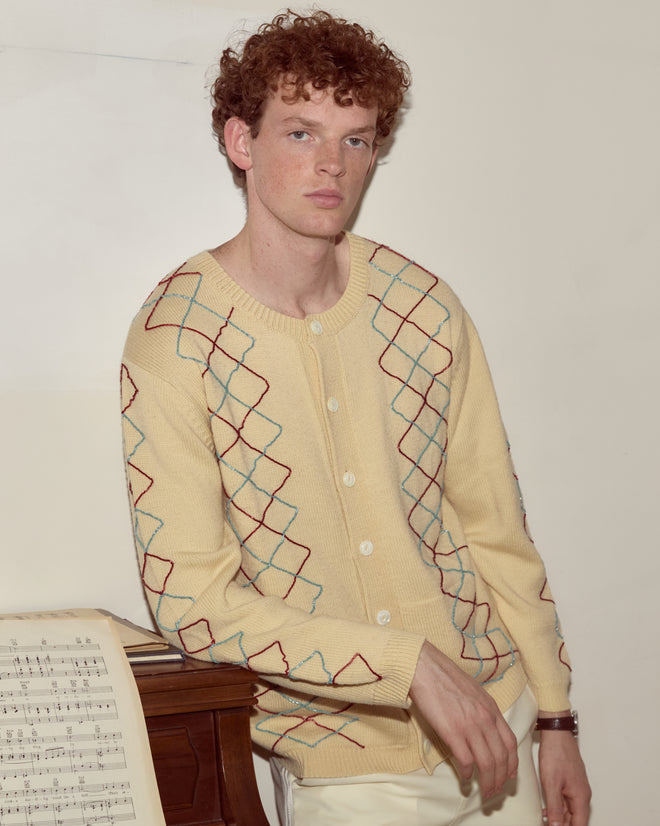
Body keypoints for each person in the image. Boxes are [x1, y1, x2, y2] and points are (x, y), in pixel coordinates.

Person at [120, 9, 590, 826]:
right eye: (300, 134)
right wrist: (404, 665)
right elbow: (192, 599)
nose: (331, 165)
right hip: (346, 771)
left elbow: (496, 529)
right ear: (241, 142)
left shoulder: (423, 305)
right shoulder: (175, 337)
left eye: (357, 139)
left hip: (499, 732)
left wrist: (554, 717)